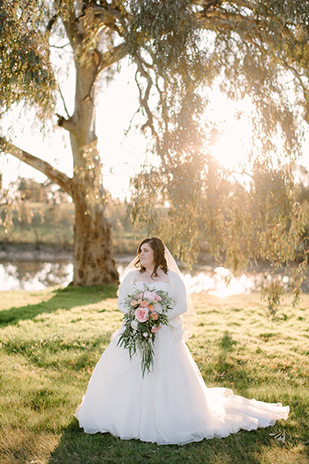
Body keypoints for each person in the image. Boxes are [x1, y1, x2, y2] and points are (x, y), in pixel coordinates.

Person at [75, 237, 289, 445]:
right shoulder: (132, 277)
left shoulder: (172, 278)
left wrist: (157, 316)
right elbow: (122, 303)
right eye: (140, 250)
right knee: (126, 369)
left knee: (164, 374)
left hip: (163, 332)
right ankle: (120, 416)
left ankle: (166, 418)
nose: (141, 254)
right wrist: (137, 313)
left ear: (157, 253)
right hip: (134, 329)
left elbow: (181, 306)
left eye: (146, 250)